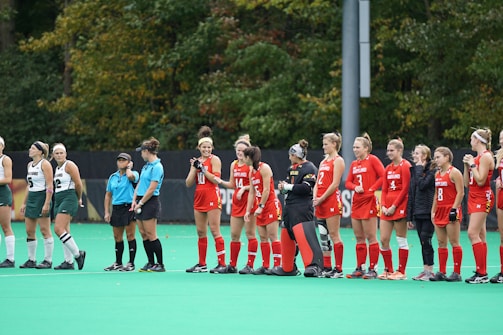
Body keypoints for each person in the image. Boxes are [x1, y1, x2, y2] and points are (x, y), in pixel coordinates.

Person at [274, 139, 323, 277]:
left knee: (304, 234)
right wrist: (283, 188)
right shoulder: (291, 169)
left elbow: (307, 187)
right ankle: (288, 267)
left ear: (296, 155)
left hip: (302, 206)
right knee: (286, 234)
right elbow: (290, 185)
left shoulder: (309, 168)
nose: (289, 158)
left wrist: (288, 187)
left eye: (291, 155)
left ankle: (314, 265)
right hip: (289, 206)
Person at [185, 126, 228, 273]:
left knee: (215, 230)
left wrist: (203, 169)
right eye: (204, 147)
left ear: (212, 148)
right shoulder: (197, 161)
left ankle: (222, 263)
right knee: (200, 231)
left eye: (209, 147)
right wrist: (194, 167)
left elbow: (216, 180)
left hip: (211, 196)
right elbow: (189, 183)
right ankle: (202, 264)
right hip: (199, 197)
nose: (206, 150)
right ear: (199, 147)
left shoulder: (214, 160)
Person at [214, 135, 258, 274]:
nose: (239, 153)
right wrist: (220, 181)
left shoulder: (251, 166)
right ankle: (232, 265)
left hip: (249, 202)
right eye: (238, 150)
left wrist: (244, 189)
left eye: (242, 151)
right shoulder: (234, 165)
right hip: (237, 203)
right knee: (234, 235)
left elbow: (255, 185)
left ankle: (250, 265)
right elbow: (233, 185)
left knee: (250, 234)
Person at [345, 133, 385, 279]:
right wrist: (355, 187)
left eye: (357, 147)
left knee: (371, 236)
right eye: (354, 147)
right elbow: (348, 182)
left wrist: (372, 189)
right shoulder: (354, 164)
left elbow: (383, 176)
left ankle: (373, 268)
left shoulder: (372, 159)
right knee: (359, 236)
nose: (355, 150)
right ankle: (360, 267)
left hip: (369, 201)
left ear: (366, 148)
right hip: (357, 202)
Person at [243, 146, 282, 275]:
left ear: (249, 158)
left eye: (244, 156)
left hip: (270, 205)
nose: (242, 159)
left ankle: (277, 265)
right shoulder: (251, 171)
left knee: (272, 236)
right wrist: (248, 210)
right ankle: (265, 265)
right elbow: (252, 193)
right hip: (260, 207)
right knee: (263, 237)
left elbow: (266, 190)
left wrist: (261, 206)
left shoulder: (265, 168)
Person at [462, 128, 494, 284]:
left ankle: (482, 273)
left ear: (478, 140)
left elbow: (481, 180)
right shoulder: (477, 158)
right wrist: (466, 166)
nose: (470, 142)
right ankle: (482, 271)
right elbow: (466, 183)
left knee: (472, 233)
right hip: (474, 195)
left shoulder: (486, 156)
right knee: (480, 235)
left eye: (471, 139)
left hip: (482, 196)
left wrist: (473, 165)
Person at [377, 139, 412, 280]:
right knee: (384, 239)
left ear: (399, 151)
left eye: (392, 150)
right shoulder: (388, 168)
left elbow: (405, 189)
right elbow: (384, 189)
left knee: (400, 239)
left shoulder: (406, 166)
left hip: (400, 207)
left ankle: (401, 271)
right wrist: (384, 205)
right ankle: (388, 270)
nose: (389, 153)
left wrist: (394, 206)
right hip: (387, 208)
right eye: (388, 150)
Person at [312, 132, 345, 278]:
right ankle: (327, 267)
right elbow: (318, 182)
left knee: (334, 234)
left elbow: (335, 184)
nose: (323, 146)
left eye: (326, 144)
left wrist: (322, 198)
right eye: (323, 144)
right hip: (320, 202)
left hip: (331, 201)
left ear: (334, 144)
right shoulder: (323, 162)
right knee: (323, 235)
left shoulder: (338, 160)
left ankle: (338, 269)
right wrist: (315, 198)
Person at [429, 147, 464, 282]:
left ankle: (457, 272)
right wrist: (433, 210)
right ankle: (442, 271)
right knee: (441, 242)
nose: (435, 160)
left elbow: (460, 193)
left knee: (454, 241)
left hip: (450, 209)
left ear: (447, 157)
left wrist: (454, 209)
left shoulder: (454, 172)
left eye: (438, 157)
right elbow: (437, 194)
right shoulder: (437, 174)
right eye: (435, 157)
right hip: (440, 210)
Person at [18, 141, 54, 269]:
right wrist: (24, 202)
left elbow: (50, 185)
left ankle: (48, 260)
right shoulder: (29, 165)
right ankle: (31, 260)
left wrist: (46, 203)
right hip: (32, 197)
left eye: (33, 148)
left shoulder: (45, 164)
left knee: (45, 230)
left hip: (42, 197)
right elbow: (29, 185)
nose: (30, 150)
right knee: (29, 230)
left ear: (40, 152)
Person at [51, 143, 86, 270]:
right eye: (57, 153)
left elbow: (78, 183)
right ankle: (68, 261)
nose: (59, 155)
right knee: (65, 230)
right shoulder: (57, 168)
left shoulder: (69, 165)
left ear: (65, 154)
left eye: (61, 153)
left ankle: (78, 254)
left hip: (69, 196)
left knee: (58, 229)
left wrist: (79, 197)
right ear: (53, 155)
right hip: (59, 198)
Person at [133, 138, 165, 272]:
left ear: (147, 151)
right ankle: (150, 262)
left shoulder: (157, 166)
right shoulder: (146, 166)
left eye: (142, 152)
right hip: (140, 200)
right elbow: (140, 183)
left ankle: (160, 264)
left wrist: (140, 203)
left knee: (151, 234)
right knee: (143, 233)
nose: (141, 154)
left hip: (150, 202)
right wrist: (134, 199)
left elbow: (152, 188)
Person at [104, 153, 139, 271]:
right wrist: (107, 212)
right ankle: (118, 262)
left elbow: (131, 178)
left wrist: (129, 168)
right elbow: (108, 195)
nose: (121, 162)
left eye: (124, 160)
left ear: (129, 162)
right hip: (117, 208)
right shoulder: (113, 177)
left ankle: (131, 263)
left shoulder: (134, 173)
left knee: (130, 235)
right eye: (119, 160)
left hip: (128, 207)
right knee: (117, 236)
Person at [407, 145, 436, 281]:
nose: (414, 155)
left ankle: (431, 270)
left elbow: (423, 185)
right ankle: (425, 270)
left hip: (428, 212)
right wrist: (409, 216)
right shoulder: (415, 171)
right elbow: (412, 193)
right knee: (422, 241)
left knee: (426, 240)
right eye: (414, 152)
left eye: (417, 153)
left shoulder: (431, 170)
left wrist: (418, 168)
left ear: (424, 156)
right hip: (418, 212)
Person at [490, 130, 503, 283]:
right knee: (502, 236)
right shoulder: (499, 155)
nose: (501, 140)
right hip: (501, 195)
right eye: (500, 138)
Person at [0, 136, 15, 268]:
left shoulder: (5, 159)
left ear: (2, 146)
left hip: (2, 194)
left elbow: (8, 179)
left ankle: (10, 259)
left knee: (5, 226)